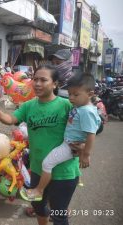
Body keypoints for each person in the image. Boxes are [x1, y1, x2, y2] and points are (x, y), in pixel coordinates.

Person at [0, 65, 81, 225]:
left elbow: (86, 125)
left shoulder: (66, 105)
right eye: (35, 79)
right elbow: (11, 120)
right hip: (37, 170)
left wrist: (84, 147)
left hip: (64, 173)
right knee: (39, 207)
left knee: (59, 216)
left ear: (55, 84)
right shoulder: (29, 105)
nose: (37, 83)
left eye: (43, 80)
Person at [20, 73, 101, 202]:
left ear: (90, 94)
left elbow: (91, 134)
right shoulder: (81, 107)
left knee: (47, 163)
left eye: (76, 94)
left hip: (70, 146)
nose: (71, 98)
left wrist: (86, 153)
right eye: (70, 94)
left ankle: (38, 190)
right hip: (70, 143)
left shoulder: (86, 111)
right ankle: (78, 178)